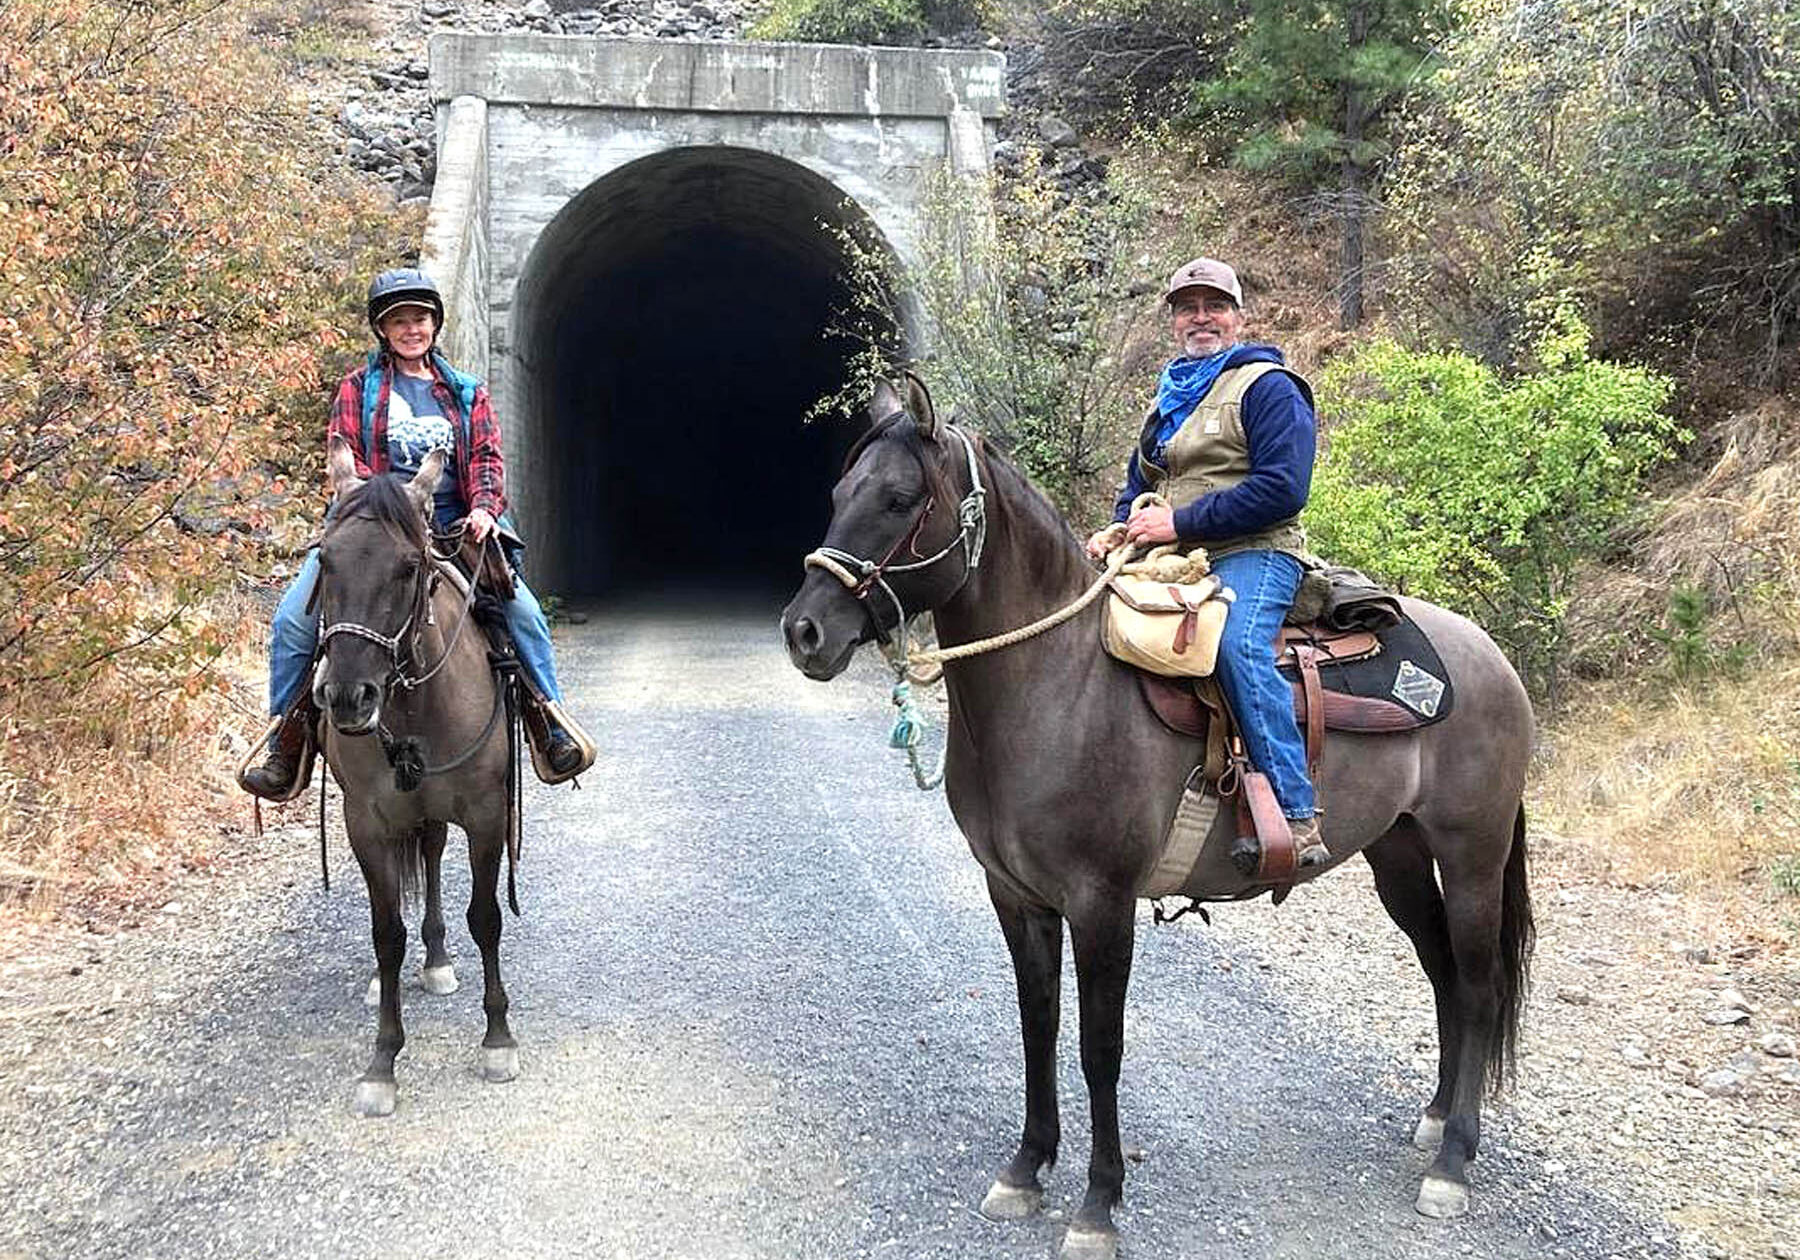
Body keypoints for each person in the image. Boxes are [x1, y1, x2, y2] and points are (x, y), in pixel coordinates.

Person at [241, 268, 584, 798]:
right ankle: (286, 743)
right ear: (382, 329)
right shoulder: (357, 388)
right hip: (375, 526)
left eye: (419, 319)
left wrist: (485, 508)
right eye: (398, 321)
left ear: (434, 324)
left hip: (453, 523)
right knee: (292, 622)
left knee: (524, 615)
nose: (411, 330)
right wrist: (371, 505)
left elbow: (487, 459)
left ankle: (549, 724)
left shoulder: (466, 393)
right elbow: (346, 456)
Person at [1085, 256, 1328, 869]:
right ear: (1173, 322)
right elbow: (1140, 485)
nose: (1201, 318)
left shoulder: (1268, 387)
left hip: (1255, 551)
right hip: (1169, 558)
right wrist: (1119, 528)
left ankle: (1296, 814)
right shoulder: (1169, 398)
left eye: (1214, 306)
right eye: (1188, 308)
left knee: (1236, 645)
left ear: (1238, 317)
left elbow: (1283, 488)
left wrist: (1180, 523)